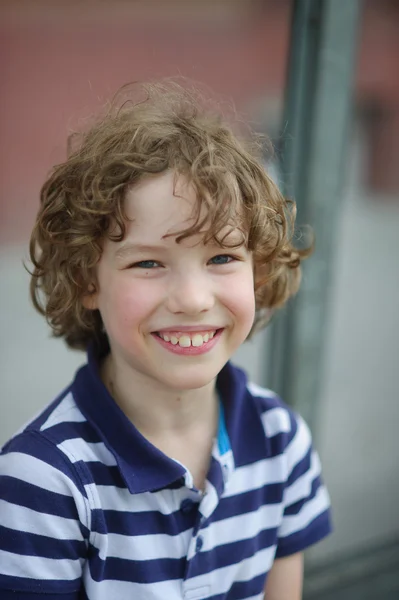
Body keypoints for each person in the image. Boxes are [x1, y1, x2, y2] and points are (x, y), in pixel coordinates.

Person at [0, 81, 332, 600]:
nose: (194, 298)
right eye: (148, 262)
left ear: (259, 271)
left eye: (222, 257)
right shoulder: (43, 481)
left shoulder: (282, 443)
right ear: (89, 280)